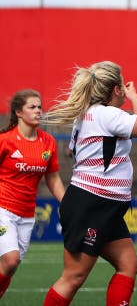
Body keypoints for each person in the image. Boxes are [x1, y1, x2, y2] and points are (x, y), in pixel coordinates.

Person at [42, 61, 137, 306]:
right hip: (93, 204)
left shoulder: (86, 115)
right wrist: (135, 96)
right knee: (73, 277)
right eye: (123, 86)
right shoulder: (108, 114)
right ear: (117, 89)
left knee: (128, 265)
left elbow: (73, 152)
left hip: (103, 206)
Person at [0, 90, 65, 300]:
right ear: (19, 112)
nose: (38, 111)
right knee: (10, 259)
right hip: (3, 210)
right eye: (32, 107)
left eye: (39, 107)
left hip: (27, 215)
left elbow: (53, 179)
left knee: (11, 266)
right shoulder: (5, 141)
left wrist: (68, 204)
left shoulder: (48, 143)